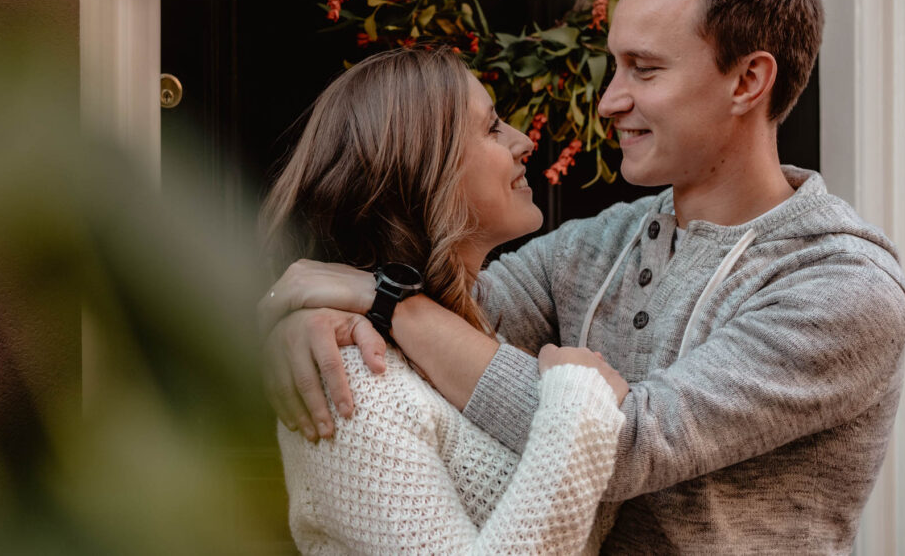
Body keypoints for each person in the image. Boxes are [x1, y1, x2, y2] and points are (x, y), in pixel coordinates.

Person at [260, 0, 905, 553]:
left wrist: (386, 303)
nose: (609, 100)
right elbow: (457, 313)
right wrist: (317, 319)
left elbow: (625, 443)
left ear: (747, 81)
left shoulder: (843, 285)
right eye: (614, 66)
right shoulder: (595, 246)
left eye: (644, 69)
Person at [262, 46, 630, 554]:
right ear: (422, 172)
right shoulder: (357, 384)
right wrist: (579, 408)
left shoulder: (473, 325)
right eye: (493, 128)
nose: (524, 141)